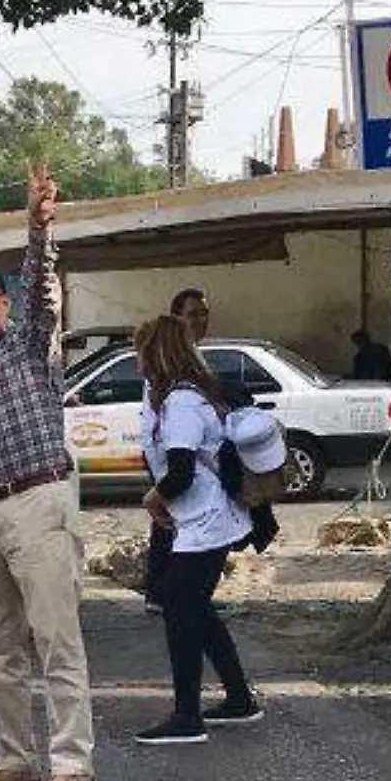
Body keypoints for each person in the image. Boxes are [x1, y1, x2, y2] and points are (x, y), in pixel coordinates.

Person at [0, 162, 94, 781]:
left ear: (3, 304)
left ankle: (72, 763)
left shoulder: (31, 347)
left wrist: (37, 225)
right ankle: (15, 756)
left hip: (39, 501)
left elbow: (40, 289)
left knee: (55, 637)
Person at [134, 315, 264, 745]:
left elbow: (182, 470)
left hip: (205, 522)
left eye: (141, 353)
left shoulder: (183, 402)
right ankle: (239, 699)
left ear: (156, 354)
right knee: (196, 608)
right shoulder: (188, 393)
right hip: (205, 520)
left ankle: (187, 715)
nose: (138, 362)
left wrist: (152, 498)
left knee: (179, 608)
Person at [145, 288, 211, 615]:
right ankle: (164, 594)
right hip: (174, 458)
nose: (200, 320)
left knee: (172, 526)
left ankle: (169, 595)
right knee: (170, 526)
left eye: (203, 313)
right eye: (193, 314)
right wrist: (163, 478)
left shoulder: (195, 357)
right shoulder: (169, 366)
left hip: (187, 460)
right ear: (178, 320)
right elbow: (157, 424)